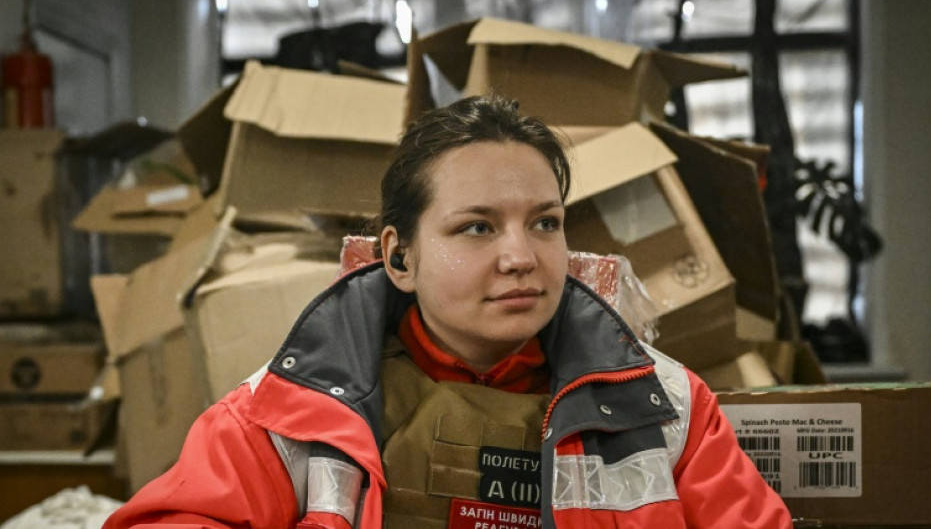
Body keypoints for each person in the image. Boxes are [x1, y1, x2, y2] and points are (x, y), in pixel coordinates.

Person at [103, 95, 792, 528]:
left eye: (546, 223)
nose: (522, 255)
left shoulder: (667, 409)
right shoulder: (289, 411)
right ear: (400, 257)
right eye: (478, 227)